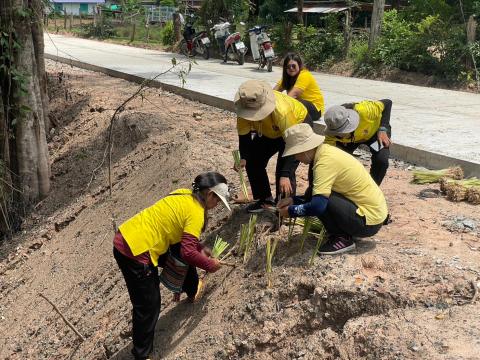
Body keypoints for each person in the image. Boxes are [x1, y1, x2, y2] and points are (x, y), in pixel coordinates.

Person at [113, 172, 230, 360]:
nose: (216, 206)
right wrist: (209, 264)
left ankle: (192, 288)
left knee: (176, 251)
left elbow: (179, 235)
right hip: (136, 251)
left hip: (129, 234)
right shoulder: (196, 213)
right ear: (209, 194)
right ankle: (142, 355)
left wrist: (201, 247)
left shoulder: (183, 194)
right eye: (217, 201)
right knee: (148, 304)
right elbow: (188, 253)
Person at [277, 124, 388, 255]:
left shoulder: (324, 163)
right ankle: (342, 233)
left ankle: (342, 238)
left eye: (295, 154)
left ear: (304, 149)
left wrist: (291, 211)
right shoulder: (325, 151)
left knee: (320, 200)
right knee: (314, 192)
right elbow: (313, 194)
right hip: (373, 214)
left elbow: (318, 207)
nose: (295, 158)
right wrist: (293, 200)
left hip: (369, 223)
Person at [234, 79, 315, 213]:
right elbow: (244, 137)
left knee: (283, 174)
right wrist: (243, 157)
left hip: (296, 128)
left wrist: (285, 174)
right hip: (270, 130)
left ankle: (285, 208)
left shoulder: (282, 111)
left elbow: (293, 143)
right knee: (253, 161)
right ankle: (264, 199)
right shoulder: (244, 108)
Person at [323, 99, 393, 185]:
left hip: (375, 134)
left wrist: (383, 129)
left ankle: (372, 187)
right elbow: (326, 156)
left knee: (381, 160)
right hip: (351, 140)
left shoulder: (366, 111)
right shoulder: (332, 131)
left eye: (342, 132)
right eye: (337, 133)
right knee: (339, 160)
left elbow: (388, 103)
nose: (339, 135)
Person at [274, 53, 325, 121]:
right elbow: (273, 93)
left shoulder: (305, 75)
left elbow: (292, 96)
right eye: (288, 66)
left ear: (299, 65)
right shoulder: (286, 78)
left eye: (293, 66)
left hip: (315, 110)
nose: (291, 68)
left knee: (294, 102)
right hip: (300, 106)